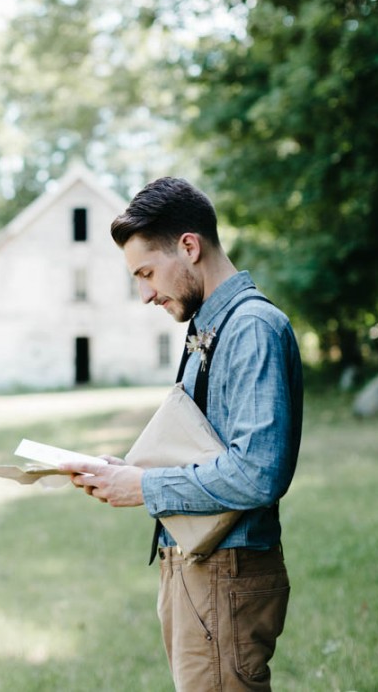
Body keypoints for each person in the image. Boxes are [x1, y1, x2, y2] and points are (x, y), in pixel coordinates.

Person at [60, 177, 303, 692]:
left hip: (225, 568)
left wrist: (144, 488)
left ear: (189, 247)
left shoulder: (252, 327)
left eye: (147, 272)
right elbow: (199, 447)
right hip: (195, 567)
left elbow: (258, 472)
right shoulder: (208, 326)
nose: (146, 293)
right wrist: (124, 471)